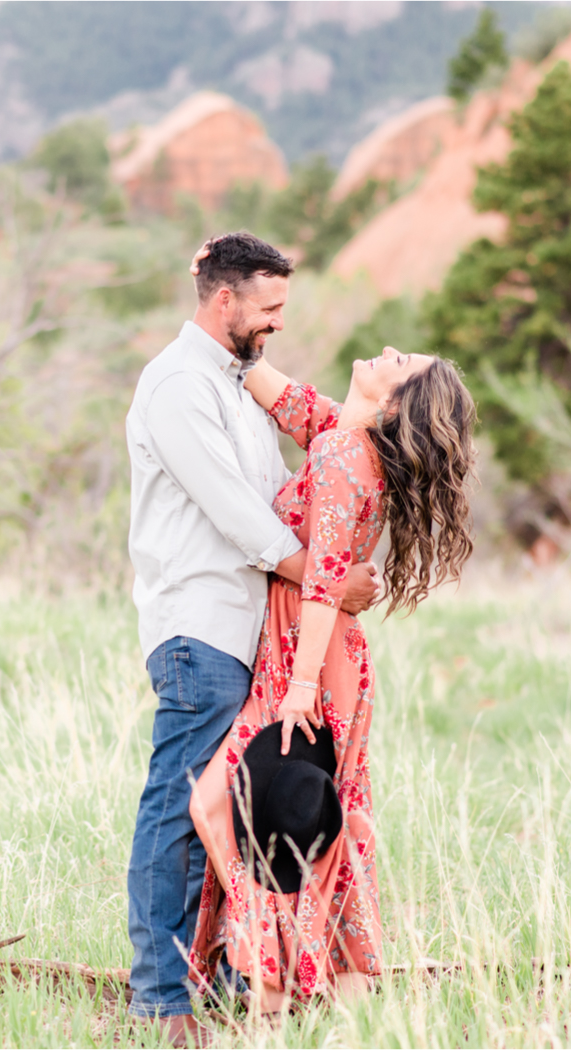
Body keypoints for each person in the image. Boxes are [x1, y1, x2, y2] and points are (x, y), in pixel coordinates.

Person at [184, 281, 477, 1014]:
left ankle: (280, 986)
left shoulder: (347, 451)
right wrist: (216, 306)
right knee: (314, 818)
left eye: (397, 360)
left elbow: (319, 586)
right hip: (320, 654)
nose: (383, 350)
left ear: (397, 402)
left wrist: (299, 687)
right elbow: (264, 382)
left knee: (237, 802)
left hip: (309, 655)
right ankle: (336, 989)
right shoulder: (341, 435)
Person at [123, 232, 380, 1044]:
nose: (275, 324)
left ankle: (227, 980)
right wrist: (327, 578)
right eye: (267, 309)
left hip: (247, 636)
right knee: (180, 806)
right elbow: (241, 517)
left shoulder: (233, 387)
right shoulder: (175, 387)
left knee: (233, 814)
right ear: (224, 301)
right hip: (201, 630)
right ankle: (161, 998)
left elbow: (323, 457)